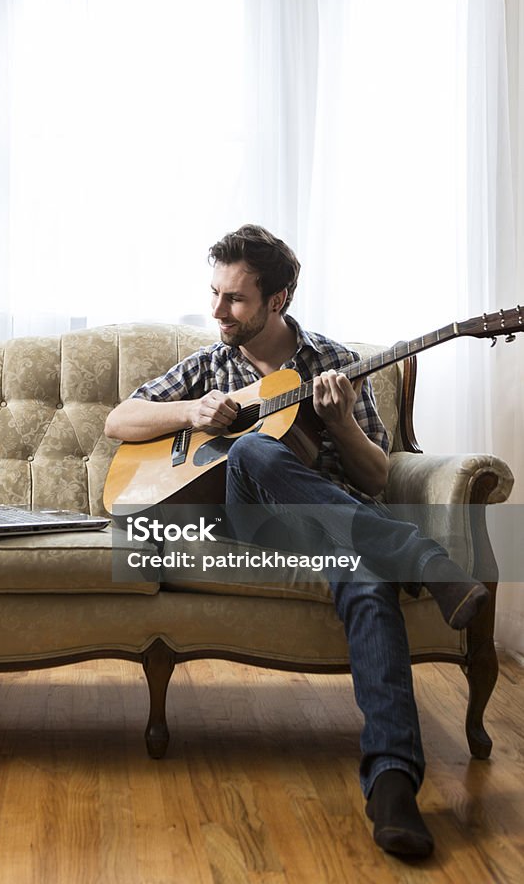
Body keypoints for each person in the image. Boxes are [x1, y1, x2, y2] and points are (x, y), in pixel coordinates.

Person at [104, 223, 489, 859]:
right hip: (249, 527)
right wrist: (191, 412)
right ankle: (422, 559)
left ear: (279, 300)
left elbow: (375, 476)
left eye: (235, 300)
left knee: (366, 581)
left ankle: (392, 784)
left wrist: (340, 422)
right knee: (254, 448)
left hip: (330, 529)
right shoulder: (209, 365)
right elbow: (120, 419)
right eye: (215, 294)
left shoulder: (333, 366)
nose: (218, 311)